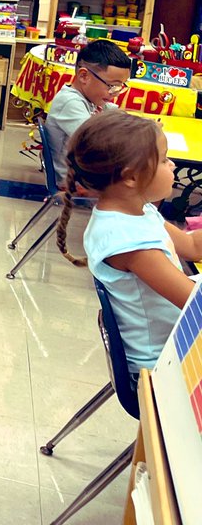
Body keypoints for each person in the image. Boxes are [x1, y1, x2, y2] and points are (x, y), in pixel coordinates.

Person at [56, 112, 202, 389]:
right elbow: (195, 307)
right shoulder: (131, 243)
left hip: (174, 346)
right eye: (164, 159)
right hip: (160, 370)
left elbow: (192, 246)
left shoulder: (138, 212)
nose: (172, 165)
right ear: (131, 177)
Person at [45, 39, 132, 187]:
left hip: (85, 172)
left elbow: (114, 113)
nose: (115, 93)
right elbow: (96, 143)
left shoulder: (91, 99)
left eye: (120, 87)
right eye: (112, 86)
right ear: (84, 76)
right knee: (147, 176)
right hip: (73, 180)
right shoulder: (70, 102)